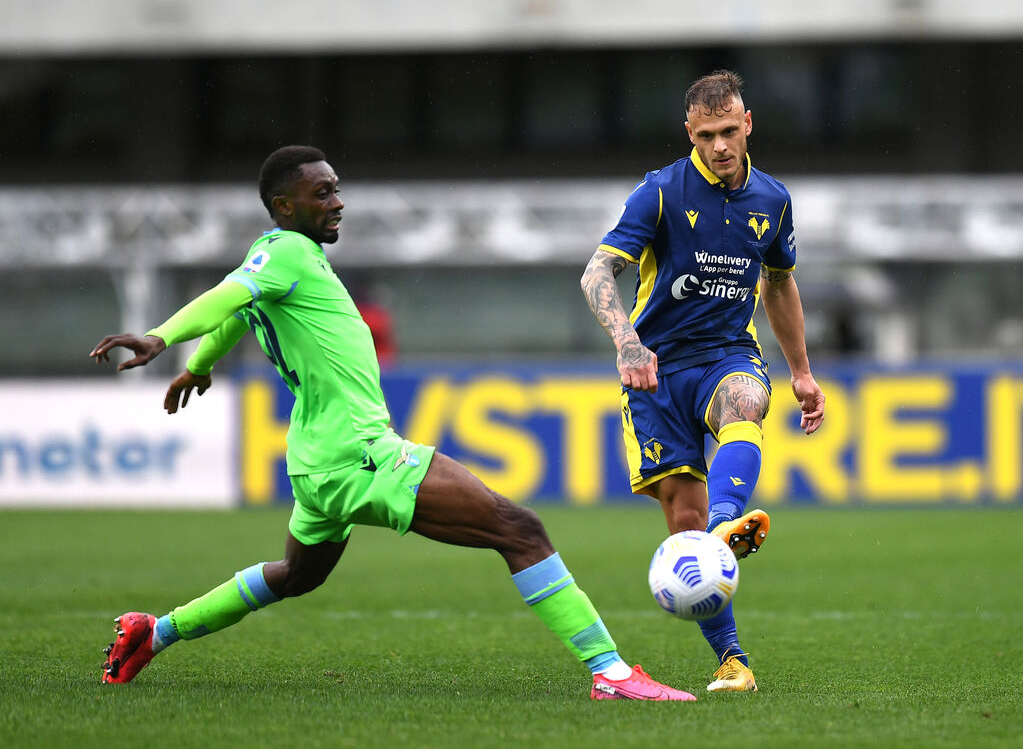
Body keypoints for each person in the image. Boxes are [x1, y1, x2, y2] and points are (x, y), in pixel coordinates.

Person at [91, 144, 694, 701]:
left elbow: (237, 304)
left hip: (316, 460)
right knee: (520, 530)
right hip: (361, 454)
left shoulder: (270, 258)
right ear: (285, 206)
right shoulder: (287, 252)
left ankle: (156, 632)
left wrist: (199, 364)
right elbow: (226, 298)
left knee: (297, 576)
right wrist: (160, 337)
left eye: (335, 189)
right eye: (322, 193)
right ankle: (611, 673)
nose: (338, 201)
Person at [580, 71, 825, 692]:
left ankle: (725, 523)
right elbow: (596, 276)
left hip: (726, 354)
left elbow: (778, 282)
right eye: (707, 134)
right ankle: (733, 660)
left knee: (745, 399)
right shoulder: (659, 193)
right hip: (656, 371)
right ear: (691, 132)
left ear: (747, 126)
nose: (719, 145)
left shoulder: (772, 200)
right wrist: (628, 343)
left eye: (729, 131)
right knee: (684, 528)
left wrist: (800, 370)